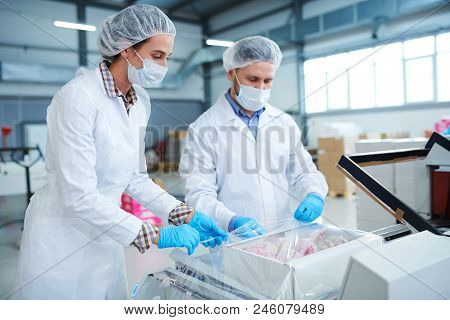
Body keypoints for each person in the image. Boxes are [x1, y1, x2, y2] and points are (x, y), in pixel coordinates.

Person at [11, 4, 227, 300]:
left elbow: (134, 178)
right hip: (63, 236)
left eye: (167, 57)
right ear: (126, 49)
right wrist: (156, 234)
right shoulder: (78, 98)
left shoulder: (139, 102)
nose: (163, 66)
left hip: (108, 233)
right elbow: (79, 196)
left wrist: (183, 213)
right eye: (157, 56)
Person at [179, 36, 328, 238]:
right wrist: (230, 220)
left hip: (281, 237)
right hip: (234, 239)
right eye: (253, 79)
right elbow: (199, 193)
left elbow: (304, 171)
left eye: (268, 81)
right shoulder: (203, 129)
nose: (260, 88)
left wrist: (314, 194)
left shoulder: (283, 122)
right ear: (231, 74)